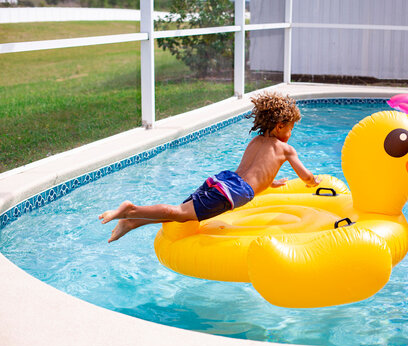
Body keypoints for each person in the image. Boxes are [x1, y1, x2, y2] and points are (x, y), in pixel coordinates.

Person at [99, 92, 321, 243]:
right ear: (281, 126)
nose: (290, 134)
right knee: (177, 212)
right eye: (291, 129)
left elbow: (247, 171)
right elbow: (305, 175)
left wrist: (270, 182)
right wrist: (312, 181)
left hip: (222, 181)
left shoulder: (255, 141)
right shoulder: (286, 149)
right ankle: (130, 209)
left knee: (185, 215)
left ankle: (132, 222)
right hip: (233, 193)